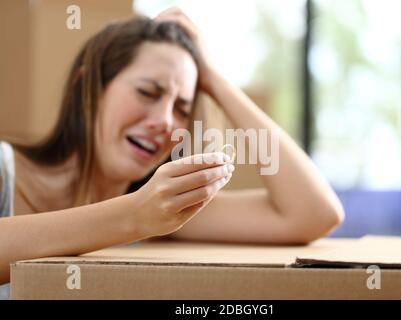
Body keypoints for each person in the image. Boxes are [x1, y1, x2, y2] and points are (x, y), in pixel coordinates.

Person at [0, 8, 344, 293]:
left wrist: (215, 81)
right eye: (148, 92)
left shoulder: (166, 214)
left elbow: (314, 213)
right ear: (86, 88)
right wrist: (135, 216)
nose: (166, 122)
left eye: (181, 107)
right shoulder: (5, 169)